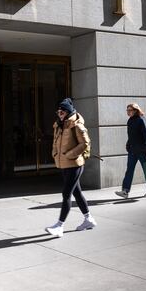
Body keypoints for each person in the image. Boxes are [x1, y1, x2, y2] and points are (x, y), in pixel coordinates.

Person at [45, 98, 96, 238]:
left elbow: (85, 143)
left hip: (75, 164)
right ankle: (89, 219)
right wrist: (55, 153)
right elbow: (55, 143)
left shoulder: (76, 125)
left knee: (66, 193)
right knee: (77, 193)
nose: (59, 113)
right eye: (58, 111)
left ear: (68, 112)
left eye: (62, 111)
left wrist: (70, 154)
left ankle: (59, 226)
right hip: (64, 164)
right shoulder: (59, 125)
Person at [115, 103, 146, 199]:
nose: (128, 112)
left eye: (130, 110)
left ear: (135, 110)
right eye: (127, 110)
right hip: (132, 150)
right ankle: (125, 191)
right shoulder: (130, 121)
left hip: (142, 150)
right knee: (129, 171)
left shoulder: (141, 120)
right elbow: (131, 135)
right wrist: (128, 145)